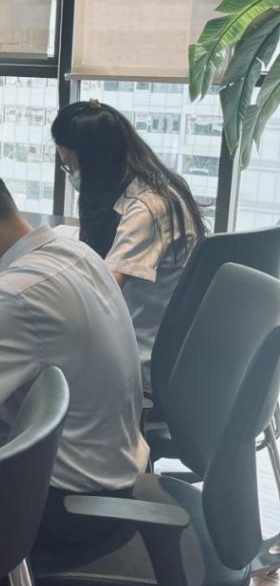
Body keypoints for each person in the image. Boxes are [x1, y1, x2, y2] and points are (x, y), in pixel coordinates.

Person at [0, 154, 148, 552]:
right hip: (111, 470)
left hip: (64, 509)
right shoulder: (76, 252)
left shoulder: (16, 296)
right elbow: (34, 307)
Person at [51, 99, 205, 393]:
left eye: (71, 166)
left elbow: (101, 290)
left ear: (97, 162)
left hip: (139, 360)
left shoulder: (148, 208)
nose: (71, 176)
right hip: (138, 342)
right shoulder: (151, 187)